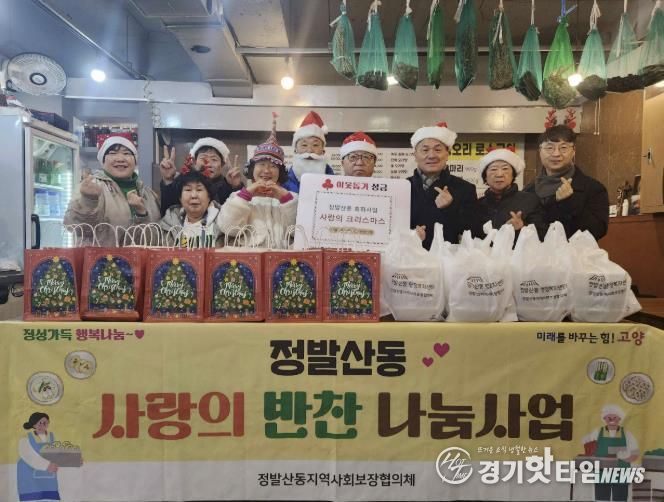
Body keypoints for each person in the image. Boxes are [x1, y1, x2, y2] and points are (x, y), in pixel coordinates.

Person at [64, 136, 160, 246]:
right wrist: (89, 201)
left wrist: (141, 214)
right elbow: (75, 227)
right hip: (101, 257)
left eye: (126, 153)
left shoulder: (148, 193)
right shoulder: (92, 187)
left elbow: (154, 236)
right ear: (103, 161)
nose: (120, 159)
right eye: (113, 153)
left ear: (135, 160)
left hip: (142, 257)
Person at [219, 114, 297, 249]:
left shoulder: (292, 198)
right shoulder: (237, 197)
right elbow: (228, 229)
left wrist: (285, 199)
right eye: (261, 164)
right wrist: (246, 195)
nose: (266, 170)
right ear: (252, 169)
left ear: (280, 172)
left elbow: (301, 231)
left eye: (273, 166)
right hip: (249, 259)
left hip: (283, 260)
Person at [524, 125, 609, 240]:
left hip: (576, 251)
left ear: (573, 151)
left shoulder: (593, 188)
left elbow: (598, 230)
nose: (556, 154)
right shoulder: (529, 191)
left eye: (563, 148)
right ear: (540, 151)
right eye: (549, 148)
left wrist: (569, 203)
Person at [408, 121, 480, 249]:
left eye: (438, 150)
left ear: (447, 154)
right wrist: (409, 234)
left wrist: (450, 208)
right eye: (425, 150)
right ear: (415, 155)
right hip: (408, 256)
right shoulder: (403, 187)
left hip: (449, 258)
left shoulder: (465, 189)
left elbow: (474, 232)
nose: (431, 155)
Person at [159, 137, 243, 216]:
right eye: (203, 159)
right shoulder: (183, 183)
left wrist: (236, 187)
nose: (208, 164)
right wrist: (168, 180)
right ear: (194, 162)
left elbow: (239, 216)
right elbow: (168, 215)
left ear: (222, 164)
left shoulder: (227, 187)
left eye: (214, 159)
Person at [477, 147, 546, 241]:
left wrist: (522, 228)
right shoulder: (478, 205)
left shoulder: (530, 201)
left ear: (513, 174)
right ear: (485, 176)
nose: (499, 174)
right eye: (493, 169)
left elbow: (543, 236)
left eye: (505, 168)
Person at [582, 405, 639, 502]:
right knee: (601, 499)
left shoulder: (626, 433)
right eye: (609, 417)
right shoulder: (597, 432)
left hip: (621, 473)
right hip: (602, 473)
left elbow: (635, 454)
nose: (612, 420)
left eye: (615, 417)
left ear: (619, 419)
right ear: (604, 418)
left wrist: (623, 456)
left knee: (620, 500)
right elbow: (587, 446)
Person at [159, 169, 224, 248]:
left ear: (209, 197)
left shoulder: (224, 223)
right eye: (188, 190)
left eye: (199, 189)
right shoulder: (167, 224)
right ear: (180, 198)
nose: (194, 195)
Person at [283, 110, 335, 193]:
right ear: (295, 150)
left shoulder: (331, 177)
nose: (310, 150)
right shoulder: (284, 177)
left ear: (323, 150)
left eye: (315, 145)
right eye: (304, 145)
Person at [17, 412, 61, 501]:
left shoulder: (51, 436)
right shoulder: (26, 438)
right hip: (29, 473)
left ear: (48, 423)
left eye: (45, 422)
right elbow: (28, 455)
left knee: (49, 497)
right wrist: (46, 465)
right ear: (34, 424)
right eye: (39, 423)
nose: (42, 425)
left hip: (48, 475)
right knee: (33, 498)